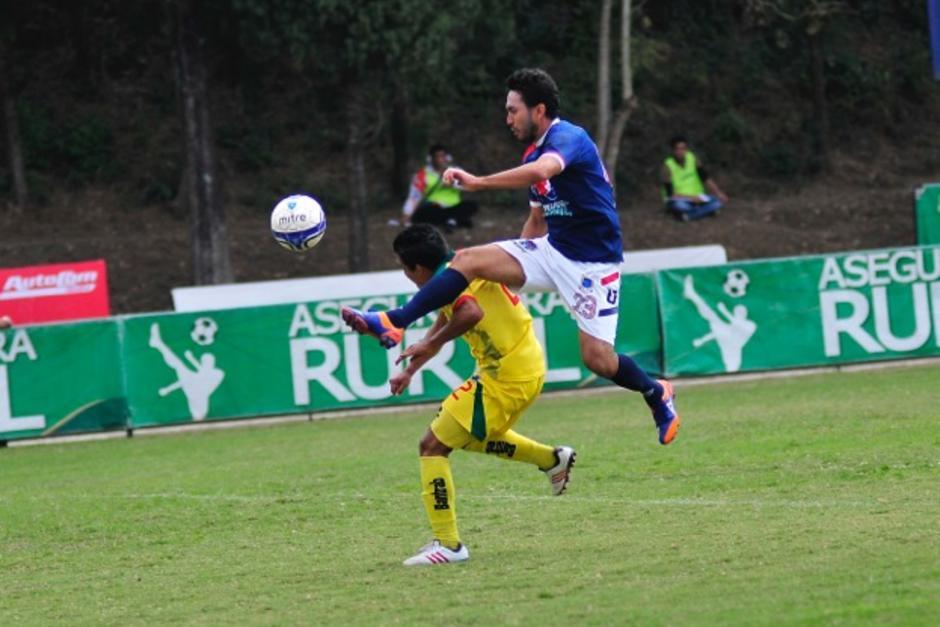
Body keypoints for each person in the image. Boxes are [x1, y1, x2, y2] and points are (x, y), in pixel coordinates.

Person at [343, 68, 680, 446]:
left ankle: (657, 392)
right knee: (467, 259)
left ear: (539, 110)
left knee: (598, 359)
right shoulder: (533, 152)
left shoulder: (569, 138)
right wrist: (515, 275)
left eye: (512, 110)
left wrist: (478, 182)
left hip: (593, 265)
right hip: (552, 250)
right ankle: (394, 321)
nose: (507, 119)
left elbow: (542, 170)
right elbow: (537, 219)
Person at [387, 224, 575, 566]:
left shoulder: (455, 281)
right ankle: (551, 460)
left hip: (505, 376)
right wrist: (411, 369)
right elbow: (447, 319)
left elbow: (471, 312)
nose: (406, 275)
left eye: (404, 268)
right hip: (520, 367)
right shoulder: (461, 269)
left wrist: (429, 344)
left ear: (418, 269)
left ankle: (449, 545)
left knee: (432, 446)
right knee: (465, 438)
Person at [401, 144, 478, 231]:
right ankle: (453, 221)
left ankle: (450, 220)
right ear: (430, 159)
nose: (440, 160)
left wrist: (453, 184)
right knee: (425, 212)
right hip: (435, 207)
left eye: (443, 156)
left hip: (454, 206)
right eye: (437, 156)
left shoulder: (456, 171)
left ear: (448, 157)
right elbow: (414, 197)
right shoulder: (422, 175)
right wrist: (406, 215)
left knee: (471, 205)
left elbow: (469, 185)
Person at [661, 135, 729, 222]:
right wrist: (691, 198)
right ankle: (705, 211)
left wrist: (718, 193)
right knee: (681, 206)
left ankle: (688, 216)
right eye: (678, 149)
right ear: (673, 150)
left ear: (687, 149)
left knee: (717, 202)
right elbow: (670, 195)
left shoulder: (692, 158)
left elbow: (705, 177)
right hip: (679, 200)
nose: (681, 151)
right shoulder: (667, 166)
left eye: (683, 148)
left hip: (697, 197)